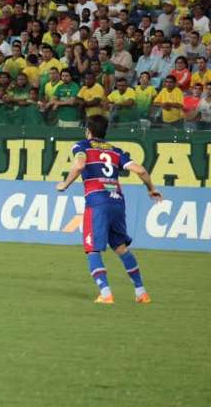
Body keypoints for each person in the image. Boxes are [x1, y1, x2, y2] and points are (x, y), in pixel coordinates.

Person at [55, 115, 162, 304]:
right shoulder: (116, 151)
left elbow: (79, 165)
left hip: (97, 202)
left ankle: (105, 294)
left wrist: (65, 184)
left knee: (93, 250)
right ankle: (141, 292)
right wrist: (151, 190)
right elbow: (142, 170)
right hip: (117, 201)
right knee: (121, 248)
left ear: (88, 131)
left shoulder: (82, 146)